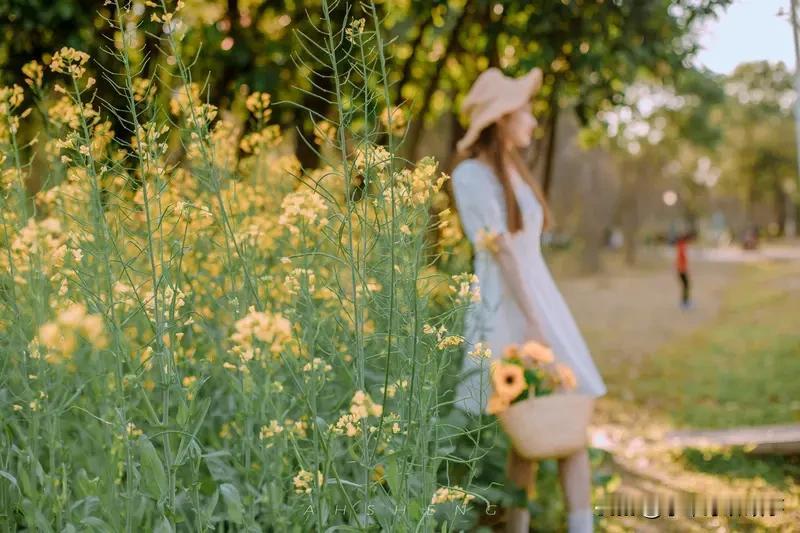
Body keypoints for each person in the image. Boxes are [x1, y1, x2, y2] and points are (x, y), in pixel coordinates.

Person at [449, 67, 607, 533]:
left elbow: (524, 255)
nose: (533, 121)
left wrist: (542, 312)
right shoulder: (472, 175)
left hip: (537, 299)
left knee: (542, 430)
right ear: (501, 119)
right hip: (511, 308)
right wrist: (536, 324)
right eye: (525, 111)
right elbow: (505, 255)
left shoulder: (512, 169)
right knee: (544, 425)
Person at [676, 233, 691, 309]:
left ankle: (685, 301)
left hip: (681, 269)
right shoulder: (682, 246)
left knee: (686, 285)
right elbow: (683, 256)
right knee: (686, 285)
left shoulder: (680, 246)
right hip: (682, 269)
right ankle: (684, 302)